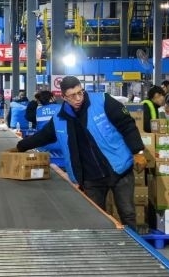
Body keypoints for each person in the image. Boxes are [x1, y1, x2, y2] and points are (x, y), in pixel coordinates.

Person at [12, 76, 146, 230]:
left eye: (80, 93)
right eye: (72, 95)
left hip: (119, 168)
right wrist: (20, 147)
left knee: (127, 214)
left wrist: (138, 151)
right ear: (63, 97)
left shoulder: (103, 101)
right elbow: (42, 137)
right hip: (90, 178)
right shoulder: (59, 119)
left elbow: (127, 124)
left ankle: (130, 244)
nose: (78, 98)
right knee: (96, 221)